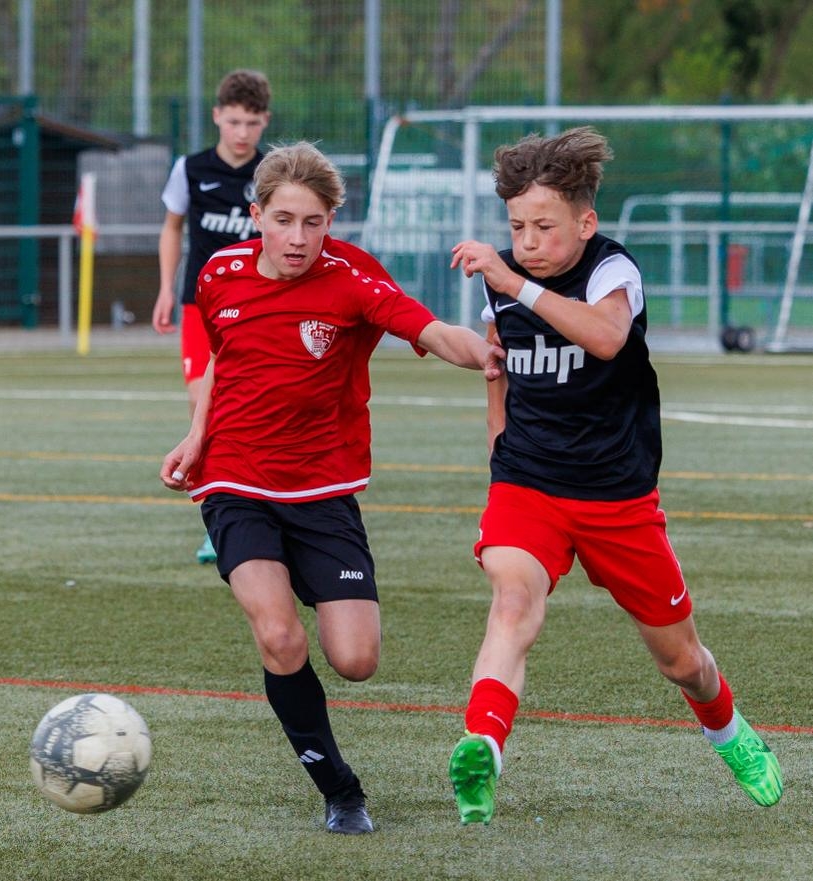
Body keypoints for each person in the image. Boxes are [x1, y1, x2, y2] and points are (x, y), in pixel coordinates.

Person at [160, 141, 503, 834]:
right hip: (233, 478)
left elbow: (433, 331)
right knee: (280, 636)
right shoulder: (219, 274)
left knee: (356, 659)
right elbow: (224, 359)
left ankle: (306, 588)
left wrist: (489, 353)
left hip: (323, 487)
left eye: (312, 222)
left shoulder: (354, 278)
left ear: (331, 220)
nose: (297, 238)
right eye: (283, 220)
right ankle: (340, 789)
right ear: (256, 215)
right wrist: (197, 435)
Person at [446, 126, 783, 825]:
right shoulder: (503, 284)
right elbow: (497, 364)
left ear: (585, 222)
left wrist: (515, 284)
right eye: (516, 227)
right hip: (528, 484)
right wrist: (497, 449)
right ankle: (483, 747)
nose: (527, 242)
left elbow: (604, 337)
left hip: (616, 497)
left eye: (544, 227)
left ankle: (729, 732)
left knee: (682, 662)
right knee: (512, 604)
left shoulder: (611, 270)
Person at [153, 68, 272, 564]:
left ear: (265, 122)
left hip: (260, 309)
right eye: (234, 121)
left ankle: (261, 508)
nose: (242, 133)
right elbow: (172, 228)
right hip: (201, 307)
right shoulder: (191, 168)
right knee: (202, 402)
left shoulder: (272, 174)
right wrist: (165, 288)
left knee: (257, 408)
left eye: (252, 123)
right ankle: (218, 516)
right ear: (217, 116)